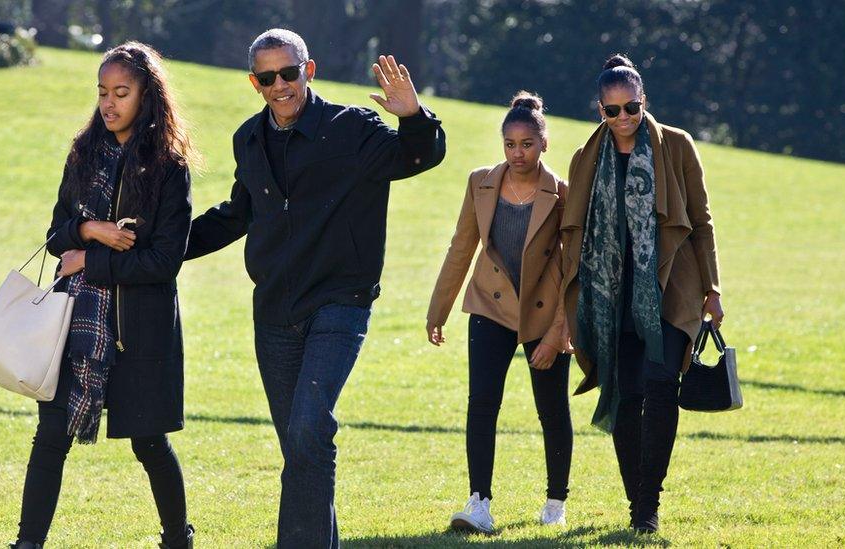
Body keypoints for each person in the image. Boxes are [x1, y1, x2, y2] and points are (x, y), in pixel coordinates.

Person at [183, 28, 445, 549]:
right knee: (301, 448)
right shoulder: (249, 139)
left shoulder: (353, 128)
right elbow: (239, 214)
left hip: (339, 302)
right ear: (254, 83)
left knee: (308, 429)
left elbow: (418, 157)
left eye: (289, 72)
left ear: (310, 69)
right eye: (267, 77)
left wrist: (414, 117)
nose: (280, 84)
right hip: (275, 310)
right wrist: (162, 246)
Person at [10, 42, 196, 549]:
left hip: (140, 330)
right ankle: (27, 543)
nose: (109, 104)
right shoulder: (84, 152)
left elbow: (162, 262)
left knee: (149, 442)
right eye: (102, 93)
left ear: (147, 96)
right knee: (50, 439)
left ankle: (178, 538)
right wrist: (90, 229)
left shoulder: (168, 169)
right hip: (74, 323)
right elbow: (55, 236)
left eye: (121, 92)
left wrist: (91, 260)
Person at [560, 54, 724, 533]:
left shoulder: (677, 145)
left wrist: (712, 289)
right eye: (612, 111)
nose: (623, 119)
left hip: (671, 287)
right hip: (612, 295)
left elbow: (701, 221)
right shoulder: (586, 157)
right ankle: (638, 501)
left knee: (660, 389)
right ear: (600, 111)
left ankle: (647, 507)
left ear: (643, 100)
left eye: (631, 107)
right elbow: (574, 232)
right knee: (626, 398)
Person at [426, 92, 573, 533]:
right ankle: (479, 502)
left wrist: (558, 334)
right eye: (510, 144)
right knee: (482, 403)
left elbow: (573, 270)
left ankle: (555, 503)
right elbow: (461, 247)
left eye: (527, 143)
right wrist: (439, 309)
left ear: (544, 143)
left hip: (544, 314)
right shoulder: (480, 182)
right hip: (489, 305)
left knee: (551, 409)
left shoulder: (564, 194)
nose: (517, 152)